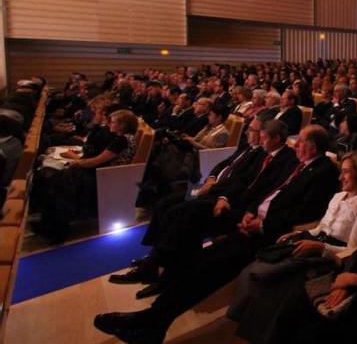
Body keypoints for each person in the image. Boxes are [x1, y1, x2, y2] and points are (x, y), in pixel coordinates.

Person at [94, 125, 340, 343]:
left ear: (314, 145)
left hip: (269, 235)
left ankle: (152, 321)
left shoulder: (323, 171)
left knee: (207, 266)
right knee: (199, 262)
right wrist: (251, 212)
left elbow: (305, 212)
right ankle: (154, 320)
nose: (295, 144)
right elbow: (268, 193)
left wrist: (262, 224)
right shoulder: (301, 165)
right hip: (253, 222)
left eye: (302, 140)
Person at [227, 150, 357, 343]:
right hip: (314, 243)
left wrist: (319, 247)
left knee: (286, 290)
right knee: (260, 270)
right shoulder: (339, 195)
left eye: (346, 172)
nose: (340, 177)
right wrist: (297, 234)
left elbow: (353, 250)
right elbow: (319, 228)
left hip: (329, 257)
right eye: (341, 171)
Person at [33, 109, 139, 243]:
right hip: (105, 173)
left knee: (61, 182)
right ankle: (51, 224)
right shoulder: (124, 138)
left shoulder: (122, 140)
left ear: (122, 125)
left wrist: (76, 162)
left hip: (105, 176)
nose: (109, 124)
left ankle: (56, 228)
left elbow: (97, 161)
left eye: (112, 122)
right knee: (60, 179)